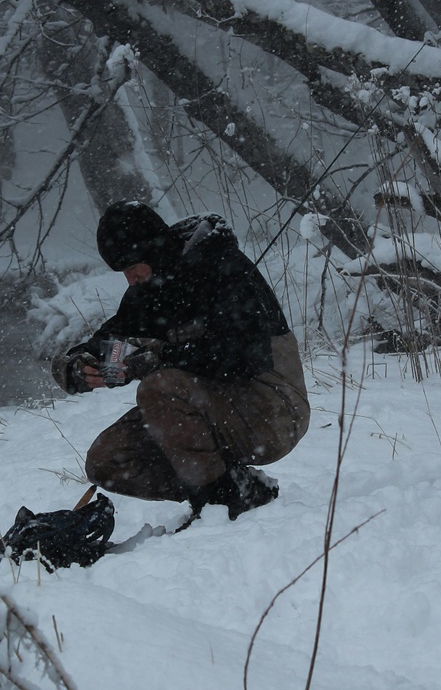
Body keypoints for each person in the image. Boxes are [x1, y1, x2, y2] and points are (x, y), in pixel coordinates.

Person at [51, 201, 310, 520]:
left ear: (150, 249)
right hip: (214, 405)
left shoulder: (223, 267)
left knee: (158, 387)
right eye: (123, 272)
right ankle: (237, 486)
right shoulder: (151, 285)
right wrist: (78, 363)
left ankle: (220, 505)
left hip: (274, 409)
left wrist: (153, 359)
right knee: (108, 461)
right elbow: (115, 337)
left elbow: (243, 359)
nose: (130, 279)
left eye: (131, 266)